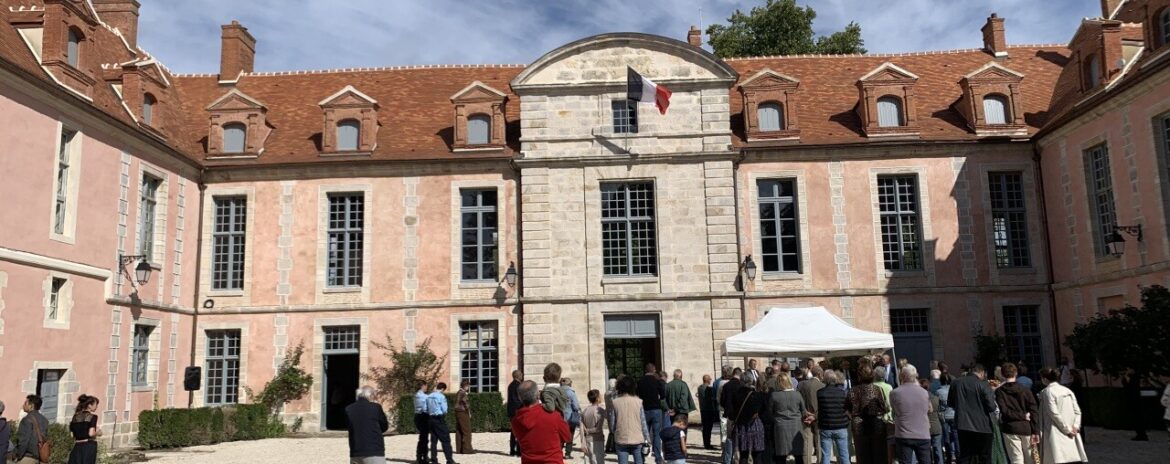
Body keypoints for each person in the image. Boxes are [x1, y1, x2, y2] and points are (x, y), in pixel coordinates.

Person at [513, 380, 572, 464]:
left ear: (520, 398)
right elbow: (567, 436)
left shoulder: (516, 421)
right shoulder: (553, 416)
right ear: (538, 395)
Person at [948, 364, 996, 464]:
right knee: (984, 457)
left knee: (965, 456)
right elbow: (991, 406)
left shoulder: (956, 383)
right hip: (983, 426)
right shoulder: (983, 384)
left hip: (963, 424)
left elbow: (951, 403)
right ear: (982, 373)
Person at [1038, 368, 1087, 464]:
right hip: (1070, 429)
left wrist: (1067, 430)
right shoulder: (1067, 390)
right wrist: (1075, 426)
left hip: (1056, 431)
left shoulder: (1047, 392)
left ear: (1045, 379)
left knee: (1058, 457)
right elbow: (1077, 411)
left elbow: (1054, 413)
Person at [846, 361, 889, 464]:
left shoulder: (852, 390)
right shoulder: (877, 389)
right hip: (876, 425)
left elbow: (846, 409)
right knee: (878, 455)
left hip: (859, 426)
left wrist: (853, 417)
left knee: (863, 455)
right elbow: (884, 408)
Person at [995, 363, 1038, 464]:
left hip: (1010, 428)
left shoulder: (1000, 392)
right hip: (1026, 427)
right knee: (1030, 459)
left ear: (1002, 374)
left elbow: (1004, 412)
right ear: (1016, 373)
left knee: (1016, 459)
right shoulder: (1025, 390)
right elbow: (1034, 410)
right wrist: (1035, 430)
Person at [890, 365, 931, 464]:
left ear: (902, 376)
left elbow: (895, 410)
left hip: (904, 433)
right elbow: (929, 410)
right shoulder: (924, 392)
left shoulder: (895, 393)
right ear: (915, 376)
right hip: (922, 433)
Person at [613, 375, 652, 464]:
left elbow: (612, 424)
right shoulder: (638, 401)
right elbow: (643, 422)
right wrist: (647, 438)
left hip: (621, 437)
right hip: (637, 437)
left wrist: (615, 432)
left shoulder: (615, 402)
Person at [345, 386, 389, 464]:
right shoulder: (376, 407)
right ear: (370, 395)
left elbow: (349, 426)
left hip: (355, 451)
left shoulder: (349, 408)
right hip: (373, 451)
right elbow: (384, 426)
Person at [768, 374, 806, 463]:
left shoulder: (774, 395)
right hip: (796, 425)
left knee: (781, 456)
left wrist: (776, 419)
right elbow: (803, 410)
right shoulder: (797, 394)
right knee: (798, 456)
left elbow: (770, 412)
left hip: (781, 426)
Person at [731, 377, 768, 464]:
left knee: (743, 455)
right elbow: (764, 410)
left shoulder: (736, 395)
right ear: (752, 382)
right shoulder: (758, 395)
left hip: (741, 426)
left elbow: (732, 411)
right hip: (756, 425)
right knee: (757, 455)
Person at [638, 363, 669, 464]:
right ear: (653, 370)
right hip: (656, 409)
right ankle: (658, 458)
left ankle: (642, 458)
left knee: (643, 434)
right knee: (656, 435)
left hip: (644, 409)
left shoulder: (640, 381)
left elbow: (637, 395)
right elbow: (663, 395)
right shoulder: (657, 381)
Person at [817, 370, 850, 464]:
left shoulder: (820, 393)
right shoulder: (842, 393)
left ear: (825, 380)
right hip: (841, 426)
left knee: (826, 455)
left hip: (826, 426)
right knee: (844, 454)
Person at [797, 366, 825, 463]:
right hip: (818, 417)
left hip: (805, 416)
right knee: (819, 441)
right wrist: (815, 415)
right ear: (820, 374)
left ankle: (807, 461)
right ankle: (820, 461)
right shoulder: (822, 386)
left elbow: (798, 401)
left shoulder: (801, 385)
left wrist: (805, 412)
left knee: (807, 441)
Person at [12, 395, 48, 464]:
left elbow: (23, 441)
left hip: (27, 457)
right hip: (39, 458)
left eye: (25, 403)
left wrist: (18, 455)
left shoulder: (26, 420)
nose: (23, 405)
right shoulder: (44, 420)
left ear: (31, 406)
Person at [720, 367, 745, 464]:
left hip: (730, 415)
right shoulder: (742, 385)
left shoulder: (726, 386)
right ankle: (740, 459)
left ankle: (727, 460)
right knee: (741, 438)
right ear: (740, 374)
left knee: (729, 439)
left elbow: (722, 402)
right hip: (740, 416)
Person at [67, 394, 101, 464]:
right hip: (88, 446)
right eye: (95, 404)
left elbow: (72, 434)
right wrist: (98, 432)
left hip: (77, 446)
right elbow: (91, 433)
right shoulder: (92, 417)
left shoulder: (75, 417)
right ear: (89, 405)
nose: (96, 407)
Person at [428, 382, 457, 464]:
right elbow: (444, 409)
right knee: (446, 440)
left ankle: (434, 460)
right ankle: (449, 460)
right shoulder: (441, 396)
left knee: (433, 441)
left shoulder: (429, 396)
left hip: (430, 419)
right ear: (443, 389)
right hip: (439, 419)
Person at [917, 378, 944, 464]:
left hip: (924, 428)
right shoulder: (936, 398)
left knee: (926, 452)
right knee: (938, 450)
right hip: (936, 426)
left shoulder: (919, 399)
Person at [872, 365, 895, 463]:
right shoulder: (889, 387)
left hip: (876, 418)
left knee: (878, 443)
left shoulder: (872, 387)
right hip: (888, 418)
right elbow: (892, 403)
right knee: (889, 443)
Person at [581, 389, 608, 464]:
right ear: (597, 398)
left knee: (589, 461)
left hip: (587, 440)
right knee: (598, 461)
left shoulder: (585, 411)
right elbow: (598, 429)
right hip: (598, 439)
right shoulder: (600, 411)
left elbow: (581, 428)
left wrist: (582, 441)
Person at [937, 374, 959, 463]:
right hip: (954, 414)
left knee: (946, 437)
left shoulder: (938, 391)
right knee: (956, 436)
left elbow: (938, 405)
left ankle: (949, 457)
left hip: (944, 416)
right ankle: (958, 456)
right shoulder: (954, 389)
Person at [1122, 368, 1148, 441]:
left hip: (1136, 401)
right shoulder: (1131, 377)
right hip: (1132, 400)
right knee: (1135, 418)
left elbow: (1132, 387)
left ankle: (1141, 434)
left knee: (1138, 418)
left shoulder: (1135, 378)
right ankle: (1140, 434)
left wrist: (1127, 379)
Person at [698, 374, 719, 449]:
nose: (710, 380)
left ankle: (705, 443)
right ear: (707, 380)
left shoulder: (700, 388)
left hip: (702, 410)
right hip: (709, 410)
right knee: (708, 428)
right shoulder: (709, 389)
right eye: (710, 379)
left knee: (705, 427)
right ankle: (707, 444)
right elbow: (712, 399)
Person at [563, 377, 582, 458]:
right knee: (570, 434)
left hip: (559, 416)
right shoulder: (571, 393)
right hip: (569, 417)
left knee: (559, 435)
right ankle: (567, 453)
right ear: (569, 383)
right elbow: (576, 406)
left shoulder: (558, 391)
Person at [454, 379, 473, 454]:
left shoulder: (458, 392)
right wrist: (469, 413)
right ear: (466, 385)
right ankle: (467, 449)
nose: (468, 387)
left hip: (457, 412)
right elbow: (466, 404)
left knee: (459, 430)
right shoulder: (463, 393)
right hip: (463, 412)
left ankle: (459, 449)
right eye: (468, 385)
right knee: (467, 431)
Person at [508, 370, 524, 457]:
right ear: (518, 376)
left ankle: (511, 450)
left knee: (513, 431)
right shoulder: (519, 386)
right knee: (519, 431)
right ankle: (519, 451)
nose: (522, 376)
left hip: (511, 411)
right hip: (518, 410)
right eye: (521, 374)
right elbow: (519, 399)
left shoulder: (510, 385)